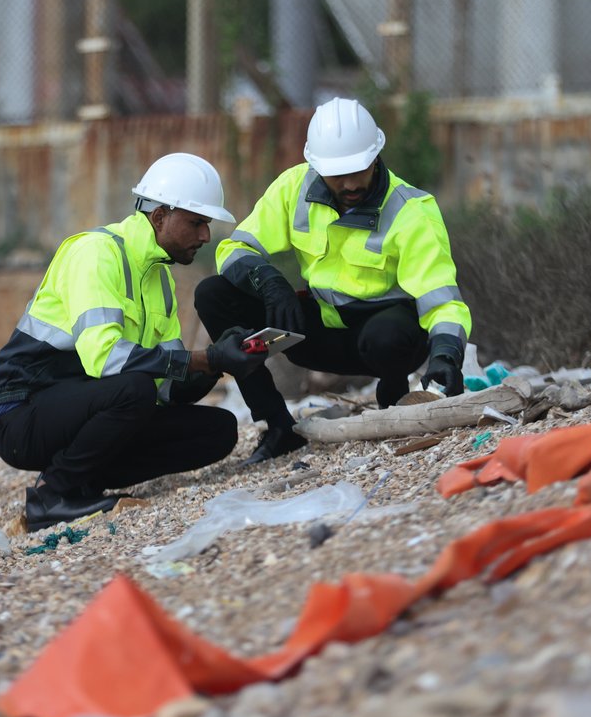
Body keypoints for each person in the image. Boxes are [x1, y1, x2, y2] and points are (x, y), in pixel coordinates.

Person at [0, 153, 269, 531]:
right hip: (18, 414)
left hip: (84, 403)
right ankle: (51, 497)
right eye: (197, 222)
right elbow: (105, 359)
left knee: (218, 431)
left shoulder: (160, 277)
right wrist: (203, 358)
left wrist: (220, 361)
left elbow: (164, 388)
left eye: (207, 224)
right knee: (131, 388)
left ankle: (84, 482)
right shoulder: (95, 253)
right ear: (160, 216)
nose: (205, 236)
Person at [197, 98, 471, 464]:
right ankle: (277, 427)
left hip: (389, 343)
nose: (350, 183)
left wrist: (446, 354)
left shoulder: (411, 210)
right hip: (318, 333)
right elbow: (233, 248)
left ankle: (394, 403)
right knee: (213, 294)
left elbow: (442, 299)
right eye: (337, 174)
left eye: (358, 170)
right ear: (315, 165)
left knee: (385, 336)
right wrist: (269, 282)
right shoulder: (293, 188)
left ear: (375, 156)